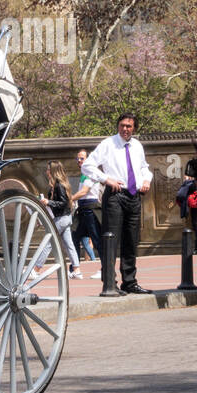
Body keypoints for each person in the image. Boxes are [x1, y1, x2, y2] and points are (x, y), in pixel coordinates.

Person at [82, 113, 152, 294]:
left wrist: (146, 180)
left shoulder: (137, 146)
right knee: (111, 239)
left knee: (131, 240)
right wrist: (106, 179)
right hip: (115, 195)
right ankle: (109, 283)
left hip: (134, 196)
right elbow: (87, 166)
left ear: (134, 128)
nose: (125, 129)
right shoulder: (108, 144)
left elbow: (144, 167)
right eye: (122, 125)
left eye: (129, 126)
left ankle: (129, 282)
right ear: (118, 126)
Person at [33, 161, 83, 280]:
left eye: (48, 170)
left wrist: (48, 202)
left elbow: (64, 203)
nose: (46, 172)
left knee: (49, 241)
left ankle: (36, 269)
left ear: (53, 171)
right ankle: (77, 270)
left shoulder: (59, 185)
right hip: (65, 218)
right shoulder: (58, 185)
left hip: (62, 218)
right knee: (68, 245)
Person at [70, 147, 103, 271]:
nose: (79, 160)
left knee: (96, 239)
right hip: (83, 210)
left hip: (91, 210)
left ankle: (105, 269)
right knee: (74, 237)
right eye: (77, 158)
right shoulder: (84, 174)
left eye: (82, 158)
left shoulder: (91, 173)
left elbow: (84, 191)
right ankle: (75, 269)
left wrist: (70, 199)